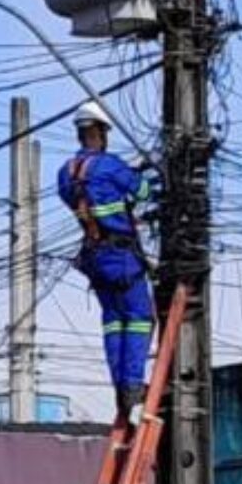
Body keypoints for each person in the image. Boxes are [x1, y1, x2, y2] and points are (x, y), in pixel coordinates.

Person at [57, 102, 156, 418]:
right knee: (139, 317)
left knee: (113, 321)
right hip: (120, 256)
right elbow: (143, 192)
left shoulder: (65, 174)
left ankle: (120, 388)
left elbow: (98, 194)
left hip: (94, 256)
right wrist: (146, 174)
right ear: (100, 132)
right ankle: (132, 386)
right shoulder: (110, 166)